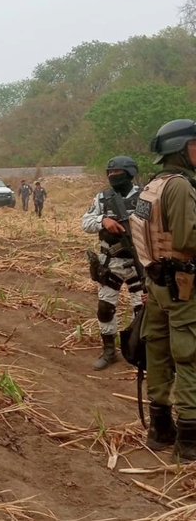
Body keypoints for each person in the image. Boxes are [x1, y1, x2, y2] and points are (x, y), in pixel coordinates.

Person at [131, 119, 196, 462]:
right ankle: (189, 437)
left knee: (157, 352)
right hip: (183, 286)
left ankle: (160, 428)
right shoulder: (181, 187)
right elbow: (188, 239)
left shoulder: (153, 185)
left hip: (156, 283)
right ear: (181, 149)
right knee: (189, 357)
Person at [81, 156, 145, 370]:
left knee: (141, 310)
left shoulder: (145, 196)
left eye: (117, 173)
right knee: (105, 308)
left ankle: (140, 352)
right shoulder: (102, 198)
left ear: (130, 174)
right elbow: (86, 222)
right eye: (109, 173)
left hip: (139, 263)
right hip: (111, 263)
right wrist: (103, 221)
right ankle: (109, 351)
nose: (112, 177)